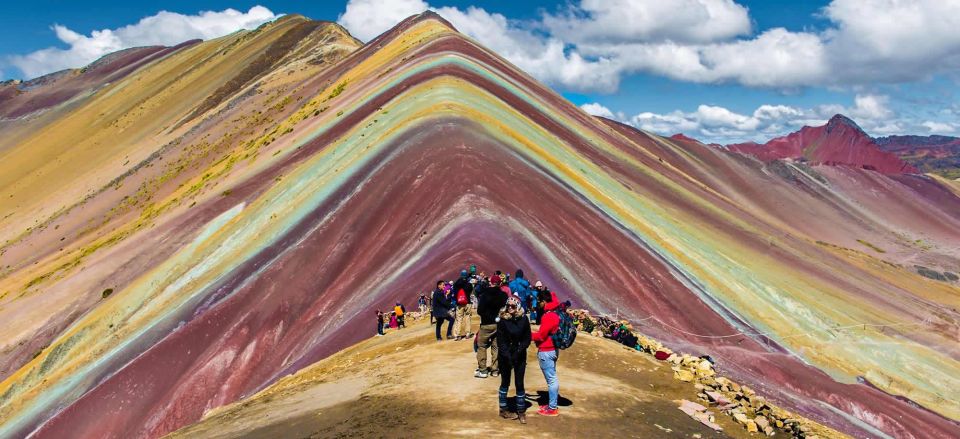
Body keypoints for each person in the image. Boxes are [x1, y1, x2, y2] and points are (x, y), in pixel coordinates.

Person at [497, 296, 532, 423]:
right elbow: (500, 341)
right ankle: (503, 409)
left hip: (520, 353)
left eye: (513, 306)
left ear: (518, 306)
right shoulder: (502, 320)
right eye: (508, 305)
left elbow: (527, 338)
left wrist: (519, 350)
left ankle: (521, 410)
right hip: (505, 355)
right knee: (505, 382)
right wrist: (507, 355)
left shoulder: (523, 320)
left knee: (519, 382)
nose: (510, 308)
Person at [532, 291, 561, 416]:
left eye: (539, 301)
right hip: (553, 349)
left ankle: (552, 408)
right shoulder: (555, 313)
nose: (538, 303)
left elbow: (541, 335)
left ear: (544, 301)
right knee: (552, 378)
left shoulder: (548, 316)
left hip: (546, 350)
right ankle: (552, 404)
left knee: (551, 380)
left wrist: (528, 335)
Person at [476, 276, 507, 378]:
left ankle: (483, 370)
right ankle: (495, 370)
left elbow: (479, 311)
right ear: (499, 283)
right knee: (496, 347)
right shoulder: (503, 295)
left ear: (491, 283)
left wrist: (488, 317)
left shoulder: (485, 295)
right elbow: (505, 309)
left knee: (481, 346)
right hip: (499, 324)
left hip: (486, 325)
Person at [452, 270, 475, 341]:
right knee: (467, 317)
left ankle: (458, 335)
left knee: (459, 318)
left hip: (459, 304)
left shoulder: (456, 283)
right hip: (467, 302)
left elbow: (454, 293)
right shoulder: (468, 283)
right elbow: (471, 290)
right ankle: (468, 333)